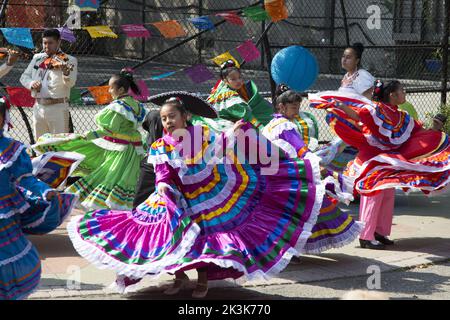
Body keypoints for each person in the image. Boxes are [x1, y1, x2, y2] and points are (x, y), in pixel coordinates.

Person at [66, 93, 324, 299]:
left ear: (185, 116)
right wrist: (165, 190)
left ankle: (202, 279)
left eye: (172, 117)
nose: (167, 122)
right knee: (170, 236)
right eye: (164, 118)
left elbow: (218, 148)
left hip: (205, 191)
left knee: (202, 236)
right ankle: (180, 276)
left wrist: (233, 133)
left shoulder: (200, 134)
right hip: (171, 194)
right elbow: (162, 171)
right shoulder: (159, 145)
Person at [310, 80, 450, 249]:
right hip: (371, 160)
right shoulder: (374, 110)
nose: (405, 94)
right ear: (392, 95)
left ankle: (380, 232)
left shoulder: (402, 116)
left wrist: (434, 129)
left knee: (388, 194)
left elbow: (417, 134)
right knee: (373, 194)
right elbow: (357, 115)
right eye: (402, 91)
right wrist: (340, 106)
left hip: (388, 160)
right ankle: (366, 236)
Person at [263, 86, 362, 254]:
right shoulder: (285, 126)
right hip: (287, 176)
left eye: (298, 106)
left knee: (286, 213)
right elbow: (300, 149)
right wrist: (317, 165)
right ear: (282, 107)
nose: (297, 110)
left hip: (272, 176)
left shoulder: (270, 125)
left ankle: (284, 248)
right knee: (308, 206)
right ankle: (290, 249)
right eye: (293, 107)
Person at [32, 69, 147, 211]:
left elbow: (109, 130)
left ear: (121, 89)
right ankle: (122, 205)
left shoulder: (118, 107)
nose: (109, 90)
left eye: (111, 87)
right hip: (133, 149)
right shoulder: (136, 105)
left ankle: (103, 204)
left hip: (120, 150)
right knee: (124, 177)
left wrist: (88, 136)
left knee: (108, 174)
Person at [0, 97, 76, 300]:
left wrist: (44, 191)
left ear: (3, 119)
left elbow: (26, 180)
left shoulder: (12, 149)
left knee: (7, 257)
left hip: (4, 215)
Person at [20, 28, 78, 139]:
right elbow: (24, 77)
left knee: (58, 145)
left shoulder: (69, 60)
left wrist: (65, 73)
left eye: (50, 43)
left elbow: (71, 83)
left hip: (58, 108)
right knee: (40, 144)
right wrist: (32, 83)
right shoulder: (37, 58)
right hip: (38, 107)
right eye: (44, 43)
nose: (46, 46)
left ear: (59, 42)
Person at [191, 59, 274, 133]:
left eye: (240, 77)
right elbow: (246, 115)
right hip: (216, 126)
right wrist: (262, 128)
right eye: (233, 79)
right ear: (225, 80)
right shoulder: (230, 96)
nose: (238, 81)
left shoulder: (222, 87)